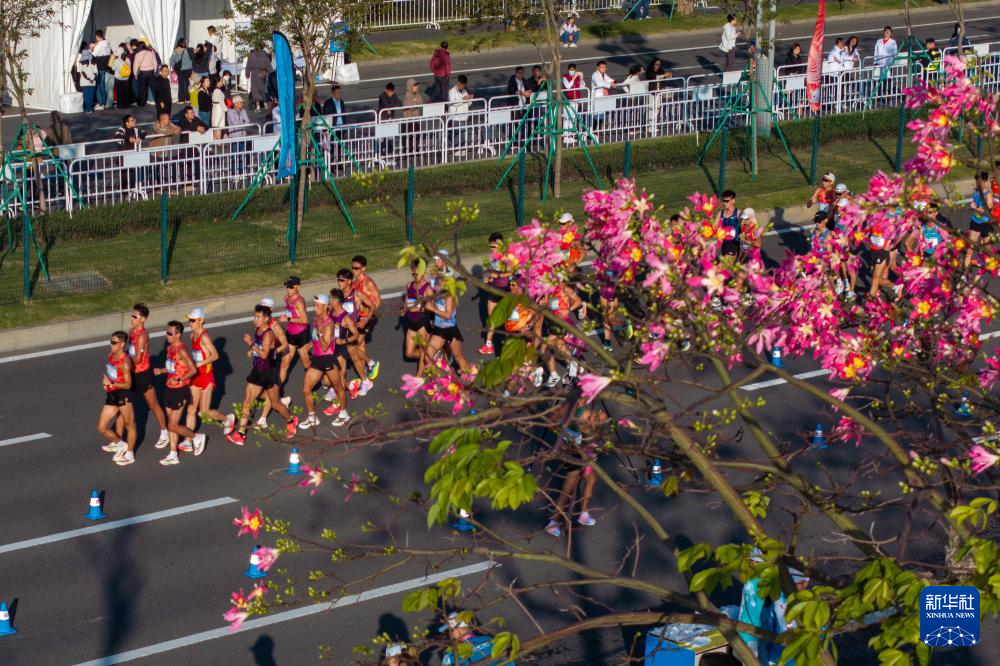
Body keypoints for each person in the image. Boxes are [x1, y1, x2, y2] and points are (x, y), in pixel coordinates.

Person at [226, 304, 300, 445]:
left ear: (266, 318)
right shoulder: (258, 329)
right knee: (247, 401)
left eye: (258, 317)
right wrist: (253, 351)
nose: (255, 319)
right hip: (257, 370)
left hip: (269, 373)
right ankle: (240, 434)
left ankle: (291, 420)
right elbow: (259, 348)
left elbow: (265, 355)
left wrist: (251, 344)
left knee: (275, 404)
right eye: (255, 316)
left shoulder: (269, 334)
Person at [544, 389, 607, 536]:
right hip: (574, 455)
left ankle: (583, 514)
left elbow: (593, 432)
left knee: (591, 480)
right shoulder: (570, 409)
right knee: (567, 490)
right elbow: (550, 421)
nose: (583, 400)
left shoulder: (585, 412)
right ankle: (553, 522)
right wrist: (563, 434)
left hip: (584, 454)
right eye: (582, 397)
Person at [153, 321, 206, 465]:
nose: (167, 335)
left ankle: (196, 437)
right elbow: (173, 367)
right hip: (169, 388)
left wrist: (179, 379)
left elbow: (193, 369)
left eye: (170, 333)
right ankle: (173, 454)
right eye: (167, 332)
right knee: (171, 423)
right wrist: (162, 371)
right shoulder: (170, 348)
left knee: (172, 425)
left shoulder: (182, 350)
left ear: (178, 335)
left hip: (180, 390)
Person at [184, 308, 233, 443]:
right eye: (189, 320)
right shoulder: (192, 335)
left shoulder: (204, 337)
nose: (190, 322)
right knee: (191, 409)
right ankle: (188, 440)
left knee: (204, 412)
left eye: (193, 320)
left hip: (206, 377)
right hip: (195, 376)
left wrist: (201, 363)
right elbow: (196, 355)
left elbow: (215, 355)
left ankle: (227, 419)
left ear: (201, 321)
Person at [299, 294, 347, 430]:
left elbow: (325, 346)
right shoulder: (317, 319)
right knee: (306, 389)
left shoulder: (329, 324)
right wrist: (311, 343)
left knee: (338, 388)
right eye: (314, 305)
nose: (315, 308)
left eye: (318, 306)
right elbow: (316, 338)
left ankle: (344, 414)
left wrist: (320, 334)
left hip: (327, 359)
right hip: (317, 360)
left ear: (326, 307)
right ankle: (312, 417)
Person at [127, 304, 170, 448]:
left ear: (143, 319)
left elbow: (137, 359)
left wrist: (123, 360)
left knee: (152, 404)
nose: (132, 318)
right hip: (133, 373)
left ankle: (164, 432)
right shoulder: (132, 331)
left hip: (143, 375)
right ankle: (119, 440)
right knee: (124, 403)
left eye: (135, 316)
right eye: (132, 315)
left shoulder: (142, 336)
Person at [98, 331, 138, 466]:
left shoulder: (125, 362)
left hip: (124, 395)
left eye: (114, 342)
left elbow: (128, 384)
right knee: (101, 427)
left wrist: (111, 383)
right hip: (112, 393)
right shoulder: (111, 355)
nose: (111, 344)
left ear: (122, 344)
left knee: (129, 425)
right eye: (110, 341)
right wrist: (108, 384)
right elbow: (112, 374)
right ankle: (121, 445)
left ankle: (130, 454)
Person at [322, 288, 357, 424]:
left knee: (339, 380)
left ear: (336, 301)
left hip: (341, 351)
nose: (328, 300)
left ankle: (340, 408)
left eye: (330, 298)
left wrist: (344, 341)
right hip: (330, 350)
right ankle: (351, 386)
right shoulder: (331, 312)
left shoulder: (346, 318)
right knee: (326, 381)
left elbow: (356, 335)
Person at [425, 282, 470, 373]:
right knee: (428, 357)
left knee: (458, 356)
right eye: (437, 282)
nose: (437, 284)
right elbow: (431, 306)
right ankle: (439, 378)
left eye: (440, 282)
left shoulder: (449, 296)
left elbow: (448, 315)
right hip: (439, 330)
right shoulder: (436, 294)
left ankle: (469, 377)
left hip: (451, 330)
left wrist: (432, 309)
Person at [479, 232, 510, 356]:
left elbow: (511, 273)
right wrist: (487, 278)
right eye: (491, 246)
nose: (492, 249)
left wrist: (497, 275)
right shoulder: (492, 258)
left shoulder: (506, 258)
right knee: (491, 319)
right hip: (493, 291)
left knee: (508, 320)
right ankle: (488, 345)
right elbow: (489, 273)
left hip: (505, 292)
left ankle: (511, 342)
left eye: (494, 246)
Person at [351, 255, 382, 380]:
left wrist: (367, 318)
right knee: (360, 346)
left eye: (357, 268)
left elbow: (378, 301)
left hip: (366, 318)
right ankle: (364, 374)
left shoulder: (368, 283)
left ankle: (372, 364)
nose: (354, 270)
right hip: (358, 318)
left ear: (363, 268)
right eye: (352, 268)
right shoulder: (354, 283)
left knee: (353, 347)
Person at [401, 259, 433, 371]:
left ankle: (419, 376)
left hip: (422, 323)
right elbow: (407, 297)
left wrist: (424, 307)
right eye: (413, 273)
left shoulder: (427, 289)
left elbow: (432, 308)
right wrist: (404, 309)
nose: (414, 276)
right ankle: (434, 355)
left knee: (423, 351)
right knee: (409, 353)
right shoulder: (410, 285)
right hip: (411, 323)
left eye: (416, 273)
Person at [968, 171, 994, 268]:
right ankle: (964, 274)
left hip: (985, 224)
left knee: (987, 249)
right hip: (975, 222)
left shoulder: (988, 194)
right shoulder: (975, 191)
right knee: (969, 249)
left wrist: (975, 208)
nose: (978, 184)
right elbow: (974, 204)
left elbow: (988, 211)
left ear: (985, 181)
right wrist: (972, 208)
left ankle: (994, 265)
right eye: (976, 182)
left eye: (980, 182)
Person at [448, 75, 473, 156]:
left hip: (464, 116)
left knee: (463, 132)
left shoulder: (464, 91)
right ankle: (456, 148)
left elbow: (469, 104)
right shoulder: (451, 92)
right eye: (462, 84)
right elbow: (454, 103)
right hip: (455, 117)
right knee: (458, 131)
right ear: (458, 83)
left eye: (464, 85)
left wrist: (470, 99)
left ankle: (462, 148)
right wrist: (463, 99)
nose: (463, 86)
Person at [245, 45, 273, 112]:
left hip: (254, 74)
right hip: (263, 72)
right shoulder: (264, 54)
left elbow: (248, 65)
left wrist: (247, 74)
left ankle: (258, 107)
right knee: (263, 88)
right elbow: (268, 64)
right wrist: (271, 73)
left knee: (255, 89)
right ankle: (265, 105)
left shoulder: (251, 55)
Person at [132, 42, 157, 107]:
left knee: (142, 88)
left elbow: (135, 65)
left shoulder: (137, 54)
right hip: (151, 71)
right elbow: (155, 62)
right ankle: (157, 100)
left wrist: (135, 74)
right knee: (153, 87)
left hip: (143, 72)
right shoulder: (151, 53)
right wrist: (155, 70)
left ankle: (142, 103)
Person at [92, 30, 112, 110]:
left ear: (97, 36)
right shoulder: (107, 43)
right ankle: (104, 102)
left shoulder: (99, 45)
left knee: (98, 86)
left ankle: (100, 104)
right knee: (103, 85)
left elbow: (93, 55)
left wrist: (92, 49)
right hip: (105, 66)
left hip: (98, 67)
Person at [77, 48, 98, 113]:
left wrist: (88, 78)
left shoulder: (81, 63)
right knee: (91, 96)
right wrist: (92, 78)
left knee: (86, 97)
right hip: (92, 82)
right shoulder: (94, 63)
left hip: (84, 82)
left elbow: (82, 72)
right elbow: (96, 73)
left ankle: (89, 109)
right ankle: (90, 108)